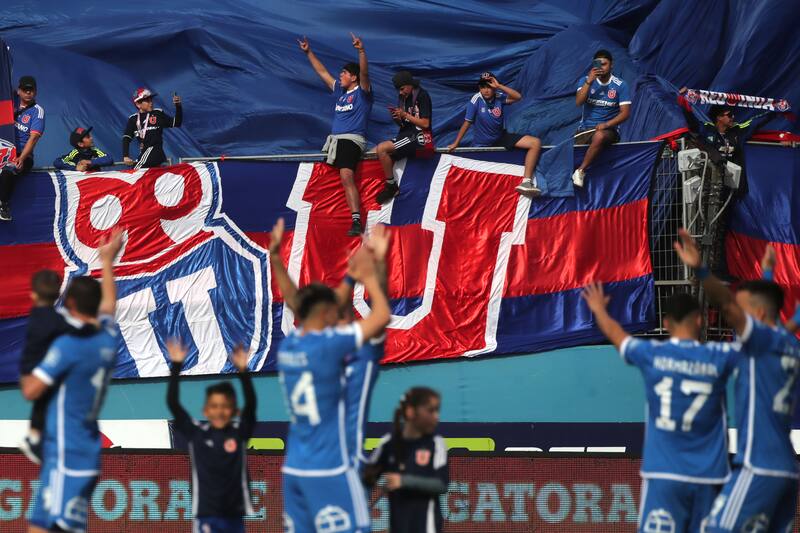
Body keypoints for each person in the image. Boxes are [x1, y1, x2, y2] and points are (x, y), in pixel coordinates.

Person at [583, 285, 740, 532]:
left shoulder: (652, 354)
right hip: (709, 476)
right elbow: (757, 344)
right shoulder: (718, 356)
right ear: (699, 320)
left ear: (666, 323)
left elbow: (618, 337)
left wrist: (599, 310)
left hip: (664, 474)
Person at [674, 229, 800, 532]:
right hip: (787, 470)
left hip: (758, 465)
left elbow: (730, 306)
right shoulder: (788, 343)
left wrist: (700, 268)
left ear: (753, 315)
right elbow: (771, 312)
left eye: (741, 312)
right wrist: (767, 273)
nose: (734, 317)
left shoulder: (759, 339)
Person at [273, 216, 391, 533]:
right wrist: (373, 269)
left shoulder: (293, 345)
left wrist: (352, 278)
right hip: (338, 465)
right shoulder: (357, 352)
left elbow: (311, 307)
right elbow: (380, 316)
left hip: (297, 466)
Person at [21, 230, 122, 533]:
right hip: (73, 447)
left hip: (70, 451)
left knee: (60, 529)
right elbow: (109, 307)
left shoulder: (69, 347)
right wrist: (107, 262)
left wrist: (30, 357)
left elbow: (30, 390)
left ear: (73, 305)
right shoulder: (108, 336)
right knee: (38, 525)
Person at [166, 340, 256, 533]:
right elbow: (173, 404)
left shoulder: (239, 434)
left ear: (234, 411)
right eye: (214, 406)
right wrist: (176, 367)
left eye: (225, 406)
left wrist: (244, 372)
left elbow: (251, 406)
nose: (220, 411)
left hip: (234, 515)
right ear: (205, 411)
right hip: (206, 514)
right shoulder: (196, 434)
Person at [298, 33, 373, 236]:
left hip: (352, 139)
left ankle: (356, 220)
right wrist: (309, 53)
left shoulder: (362, 93)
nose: (340, 76)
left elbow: (365, 74)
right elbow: (322, 72)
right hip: (335, 142)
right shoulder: (340, 92)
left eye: (344, 73)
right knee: (334, 178)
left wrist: (361, 51)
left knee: (346, 175)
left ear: (353, 77)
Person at [363, 387, 448, 533]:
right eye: (431, 410)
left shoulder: (435, 444)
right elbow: (366, 479)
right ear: (410, 412)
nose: (437, 416)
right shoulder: (388, 444)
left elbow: (441, 484)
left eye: (437, 410)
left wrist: (402, 481)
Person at [447, 72, 543, 197]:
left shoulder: (499, 96)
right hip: (481, 144)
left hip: (500, 138)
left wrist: (499, 86)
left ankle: (526, 182)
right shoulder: (475, 100)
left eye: (489, 86)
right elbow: (467, 123)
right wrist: (456, 142)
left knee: (535, 143)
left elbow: (518, 97)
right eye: (482, 87)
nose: (486, 90)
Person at [17, 270, 73, 465]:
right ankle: (37, 439)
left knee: (43, 405)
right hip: (45, 369)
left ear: (33, 294)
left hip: (34, 367)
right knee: (49, 403)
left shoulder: (37, 317)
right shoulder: (56, 321)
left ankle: (34, 437)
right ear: (58, 294)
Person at [572, 50, 631, 188]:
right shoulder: (585, 80)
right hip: (585, 130)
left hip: (608, 130)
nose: (601, 67)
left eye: (604, 64)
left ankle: (580, 171)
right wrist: (589, 82)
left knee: (599, 136)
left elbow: (625, 113)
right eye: (598, 64)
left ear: (612, 65)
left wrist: (607, 124)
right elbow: (579, 102)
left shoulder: (620, 85)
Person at [374, 71, 433, 204]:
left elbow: (425, 123)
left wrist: (405, 115)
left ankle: (391, 186)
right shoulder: (403, 98)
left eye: (402, 89)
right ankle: (383, 183)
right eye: (398, 90)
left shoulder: (422, 95)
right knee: (373, 151)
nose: (400, 92)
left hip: (419, 136)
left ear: (409, 85)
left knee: (382, 148)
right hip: (407, 134)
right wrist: (397, 119)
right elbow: (405, 124)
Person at [0, 76, 45, 221]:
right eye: (24, 89)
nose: (27, 92)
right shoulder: (9, 100)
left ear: (35, 92)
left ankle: (3, 205)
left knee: (8, 170)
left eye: (31, 90)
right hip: (4, 148)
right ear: (18, 90)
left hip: (23, 154)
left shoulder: (37, 111)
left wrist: (22, 158)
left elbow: (33, 139)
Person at [122, 87, 182, 169]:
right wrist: (126, 156)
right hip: (144, 154)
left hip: (155, 152)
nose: (151, 103)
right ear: (138, 104)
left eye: (151, 100)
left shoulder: (158, 113)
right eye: (147, 101)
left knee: (135, 172)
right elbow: (126, 138)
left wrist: (178, 106)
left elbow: (177, 123)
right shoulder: (133, 119)